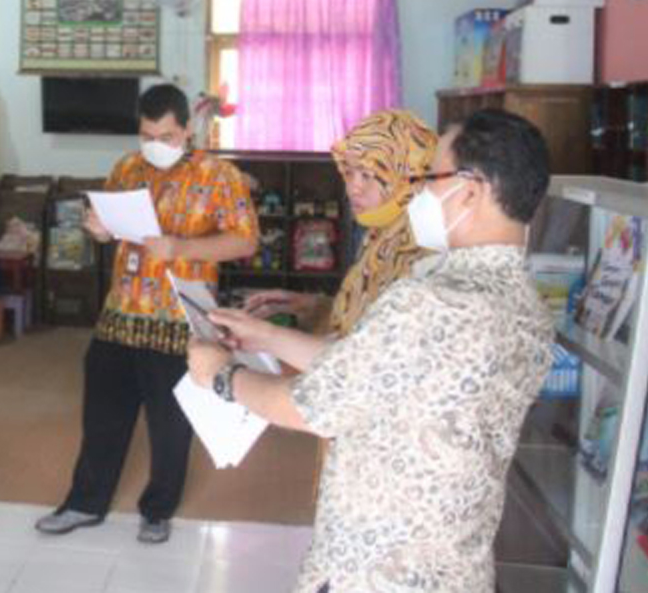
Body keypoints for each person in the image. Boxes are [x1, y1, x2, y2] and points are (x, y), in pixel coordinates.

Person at [189, 108, 554, 593]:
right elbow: (375, 369)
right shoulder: (528, 306)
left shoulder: (430, 300)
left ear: (471, 191)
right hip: (455, 564)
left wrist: (221, 375)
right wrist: (268, 336)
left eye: (429, 178)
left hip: (375, 567)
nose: (420, 193)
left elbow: (310, 406)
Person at [35, 83, 258, 544]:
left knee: (170, 424)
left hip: (179, 321)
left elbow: (245, 241)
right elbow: (110, 228)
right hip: (120, 313)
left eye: (167, 137)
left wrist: (182, 247)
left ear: (187, 129)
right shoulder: (126, 168)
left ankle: (158, 510)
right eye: (147, 136)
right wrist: (99, 231)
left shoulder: (220, 175)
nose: (156, 146)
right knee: (102, 416)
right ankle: (84, 502)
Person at [242, 109, 438, 337]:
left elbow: (374, 347)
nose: (353, 188)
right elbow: (363, 315)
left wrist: (269, 337)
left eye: (367, 175)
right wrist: (312, 306)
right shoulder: (381, 234)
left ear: (408, 176)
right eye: (349, 173)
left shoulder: (422, 253)